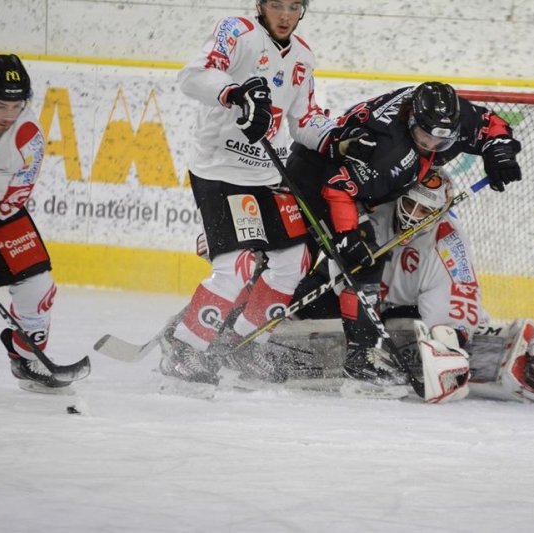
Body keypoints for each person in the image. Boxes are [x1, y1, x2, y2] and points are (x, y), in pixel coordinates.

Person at [159, 0, 375, 389]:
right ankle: (184, 348)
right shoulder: (238, 31)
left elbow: (303, 119)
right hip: (220, 171)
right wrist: (236, 93)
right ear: (260, 5)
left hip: (266, 176)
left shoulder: (302, 56)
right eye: (276, 4)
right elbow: (193, 76)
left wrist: (337, 139)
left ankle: (245, 342)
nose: (285, 15)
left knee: (295, 259)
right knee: (237, 266)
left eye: (294, 6)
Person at [229, 169, 534, 404]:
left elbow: (455, 306)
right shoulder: (374, 210)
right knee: (294, 299)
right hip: (353, 295)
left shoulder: (448, 245)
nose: (413, 216)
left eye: (425, 211)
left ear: (440, 212)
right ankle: (236, 332)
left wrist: (449, 346)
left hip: (403, 308)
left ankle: (514, 353)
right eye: (409, 204)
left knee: (440, 335)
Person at [283, 81, 524, 392]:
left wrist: (499, 149)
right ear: (411, 121)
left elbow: (489, 123)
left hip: (352, 179)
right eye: (425, 137)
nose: (433, 144)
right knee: (356, 259)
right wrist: (347, 235)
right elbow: (337, 187)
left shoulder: (445, 117)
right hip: (316, 177)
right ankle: (361, 356)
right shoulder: (389, 154)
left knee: (358, 257)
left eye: (441, 138)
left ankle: (352, 335)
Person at [0, 54, 70, 394]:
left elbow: (12, 199)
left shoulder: (26, 135)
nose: (8, 115)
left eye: (16, 105)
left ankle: (27, 360)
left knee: (38, 286)